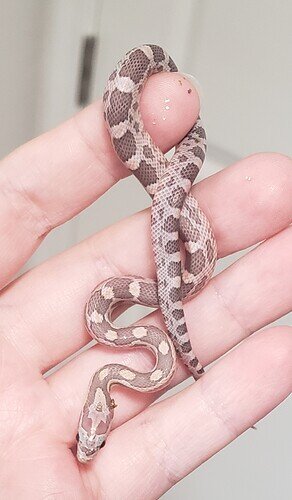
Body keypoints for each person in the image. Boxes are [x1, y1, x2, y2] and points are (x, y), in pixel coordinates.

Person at [0, 72, 291, 499]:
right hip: (156, 308)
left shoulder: (110, 351)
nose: (86, 448)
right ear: (103, 412)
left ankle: (166, 90)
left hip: (151, 306)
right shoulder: (116, 357)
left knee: (181, 253)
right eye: (95, 441)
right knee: (182, 269)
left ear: (92, 413)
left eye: (90, 438)